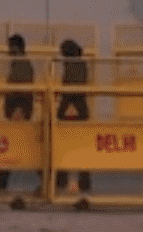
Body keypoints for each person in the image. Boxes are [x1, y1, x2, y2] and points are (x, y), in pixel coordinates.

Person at [0, 34, 34, 192]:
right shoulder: (19, 63)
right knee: (21, 149)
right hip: (19, 111)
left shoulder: (21, 64)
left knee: (14, 149)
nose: (7, 51)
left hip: (19, 112)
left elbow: (20, 89)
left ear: (15, 48)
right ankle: (0, 183)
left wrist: (18, 110)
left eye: (10, 48)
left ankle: (0, 183)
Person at [55, 39, 91, 195]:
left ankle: (61, 180)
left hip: (73, 111)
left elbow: (71, 89)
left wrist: (61, 111)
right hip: (80, 110)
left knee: (63, 147)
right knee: (81, 149)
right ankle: (83, 181)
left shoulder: (73, 65)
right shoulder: (80, 64)